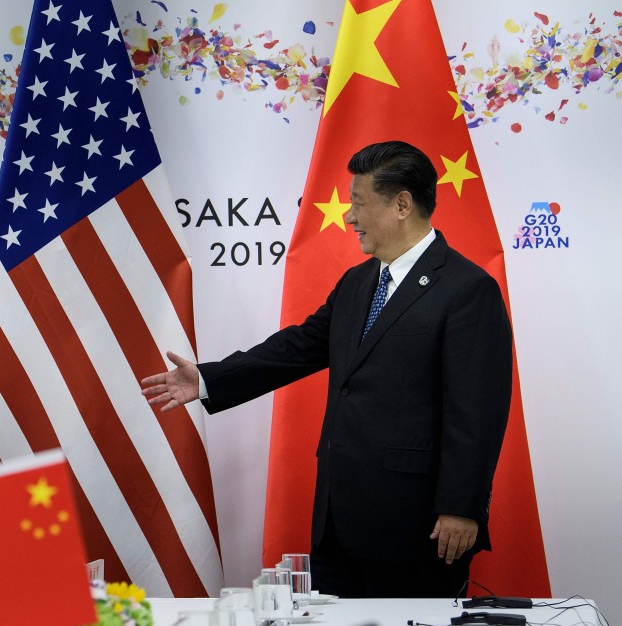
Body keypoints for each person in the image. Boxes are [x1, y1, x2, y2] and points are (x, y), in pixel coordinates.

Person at [141, 141, 512, 598]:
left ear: (401, 204)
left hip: (417, 527)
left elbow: (476, 412)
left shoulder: (468, 289)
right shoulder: (359, 281)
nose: (349, 217)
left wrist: (461, 507)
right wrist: (209, 378)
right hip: (338, 521)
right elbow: (298, 348)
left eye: (358, 202)